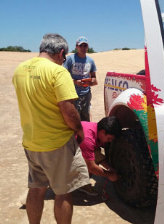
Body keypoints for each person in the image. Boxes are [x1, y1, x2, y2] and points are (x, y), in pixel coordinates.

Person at [12, 33, 90, 224]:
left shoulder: (20, 70)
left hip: (31, 143)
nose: (63, 61)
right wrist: (80, 131)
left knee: (36, 189)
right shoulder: (58, 72)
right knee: (63, 192)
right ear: (61, 52)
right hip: (58, 144)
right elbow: (69, 112)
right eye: (64, 57)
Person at [77, 116, 121, 196]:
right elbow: (91, 167)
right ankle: (80, 183)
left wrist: (109, 168)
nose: (109, 141)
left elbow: (96, 154)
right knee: (91, 163)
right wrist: (109, 175)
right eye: (109, 139)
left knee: (95, 153)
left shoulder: (96, 128)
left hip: (73, 147)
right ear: (103, 132)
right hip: (61, 154)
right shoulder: (88, 139)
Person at [63, 36, 97, 121]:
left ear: (87, 47)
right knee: (74, 117)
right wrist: (75, 82)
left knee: (86, 116)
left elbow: (94, 78)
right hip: (73, 94)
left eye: (85, 46)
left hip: (86, 94)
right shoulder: (70, 59)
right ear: (76, 47)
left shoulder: (90, 61)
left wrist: (90, 82)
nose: (83, 48)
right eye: (80, 46)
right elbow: (63, 77)